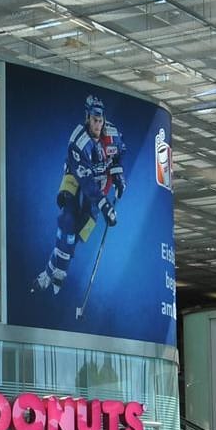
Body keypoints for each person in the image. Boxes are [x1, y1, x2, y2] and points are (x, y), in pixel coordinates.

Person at [33, 95, 129, 298]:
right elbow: (85, 181)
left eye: (101, 120)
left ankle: (52, 270)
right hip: (76, 178)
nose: (98, 124)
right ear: (87, 117)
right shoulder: (78, 141)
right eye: (94, 120)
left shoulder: (113, 134)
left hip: (99, 184)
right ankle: (50, 274)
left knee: (78, 233)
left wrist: (119, 178)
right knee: (68, 221)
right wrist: (105, 206)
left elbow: (119, 155)